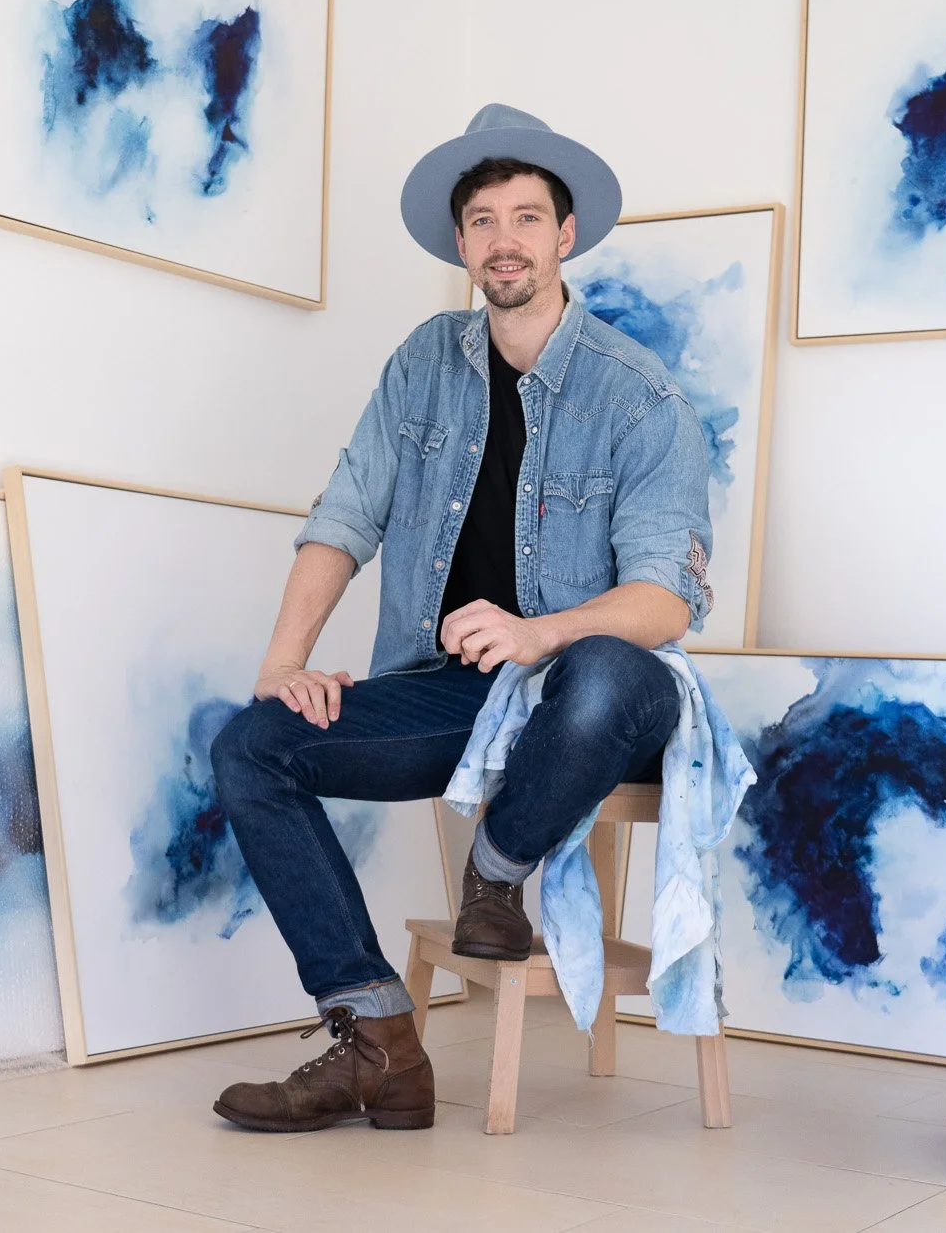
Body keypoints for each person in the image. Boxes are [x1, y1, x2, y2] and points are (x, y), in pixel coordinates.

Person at [209, 104, 716, 1133]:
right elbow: (345, 514)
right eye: (482, 221)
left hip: (595, 702)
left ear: (565, 235)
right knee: (250, 745)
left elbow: (666, 598)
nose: (503, 239)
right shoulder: (423, 363)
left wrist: (538, 633)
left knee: (607, 668)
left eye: (526, 218)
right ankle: (376, 1041)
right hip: (455, 698)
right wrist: (282, 662)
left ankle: (497, 874)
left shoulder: (638, 396)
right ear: (461, 243)